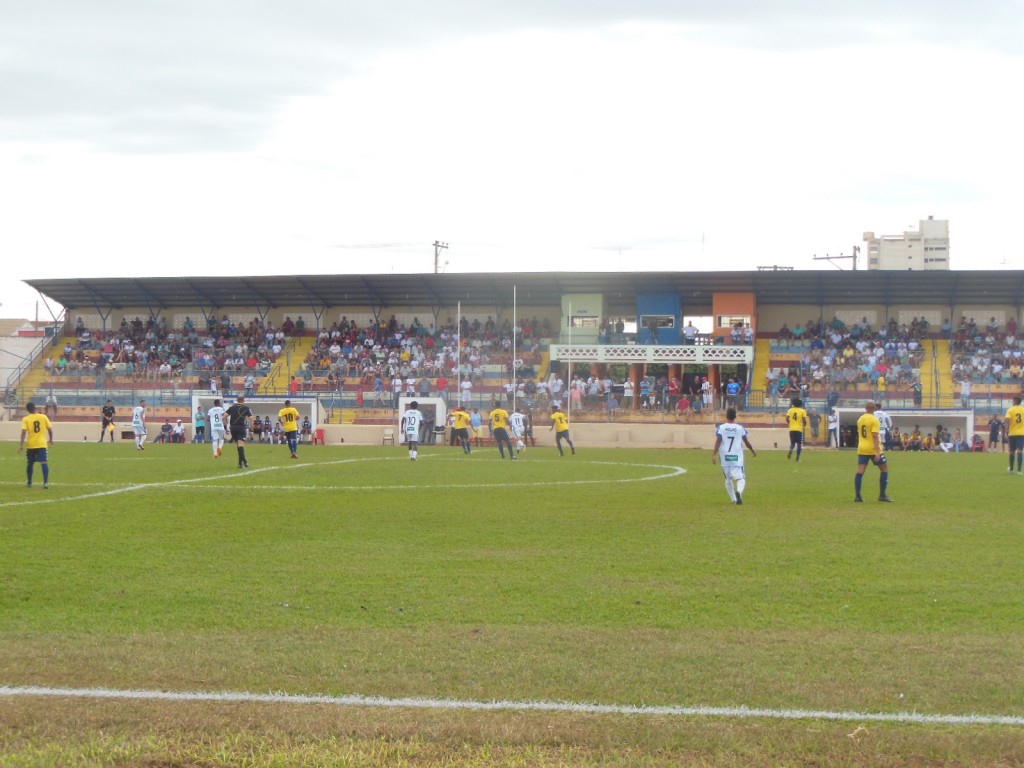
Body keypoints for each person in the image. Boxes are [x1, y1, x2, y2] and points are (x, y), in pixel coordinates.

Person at [712, 406, 756, 504]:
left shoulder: (721, 428)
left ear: (726, 416)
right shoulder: (740, 428)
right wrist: (753, 451)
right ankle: (739, 492)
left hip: (725, 457)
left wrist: (714, 454)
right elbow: (746, 442)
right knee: (741, 478)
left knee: (728, 478)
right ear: (735, 416)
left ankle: (733, 499)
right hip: (736, 457)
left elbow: (718, 442)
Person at [855, 400, 893, 503]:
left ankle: (858, 496)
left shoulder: (860, 419)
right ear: (874, 408)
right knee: (884, 469)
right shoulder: (874, 420)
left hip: (862, 448)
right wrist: (877, 452)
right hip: (873, 448)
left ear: (865, 408)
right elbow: (875, 436)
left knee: (860, 471)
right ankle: (882, 495)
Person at [20, 402, 54, 489]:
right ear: (35, 408)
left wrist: (21, 445)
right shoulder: (43, 417)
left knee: (30, 464)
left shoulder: (26, 419)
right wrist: (51, 439)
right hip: (42, 444)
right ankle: (45, 483)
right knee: (44, 463)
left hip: (31, 444)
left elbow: (24, 432)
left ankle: (30, 482)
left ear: (27, 409)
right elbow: (50, 429)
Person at [225, 395, 253, 468]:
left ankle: (241, 464)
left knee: (238, 445)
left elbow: (224, 417)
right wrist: (251, 430)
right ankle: (244, 462)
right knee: (241, 445)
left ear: (237, 400)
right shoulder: (246, 408)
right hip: (241, 427)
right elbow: (251, 419)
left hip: (233, 428)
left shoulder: (231, 407)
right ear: (243, 401)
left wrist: (226, 425)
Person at [786, 397, 808, 461]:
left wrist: (789, 423)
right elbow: (804, 420)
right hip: (799, 429)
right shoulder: (802, 411)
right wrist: (804, 425)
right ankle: (797, 458)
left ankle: (791, 450)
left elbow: (787, 418)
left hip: (792, 429)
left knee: (792, 443)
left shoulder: (790, 410)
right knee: (799, 444)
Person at [1006, 395, 1024, 475]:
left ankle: (1011, 469)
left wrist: (1006, 430)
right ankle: (1019, 470)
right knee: (1020, 451)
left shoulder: (1010, 410)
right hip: (1021, 433)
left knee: (1011, 451)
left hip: (1012, 433)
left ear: (1015, 401)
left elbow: (1007, 419)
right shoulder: (1023, 409)